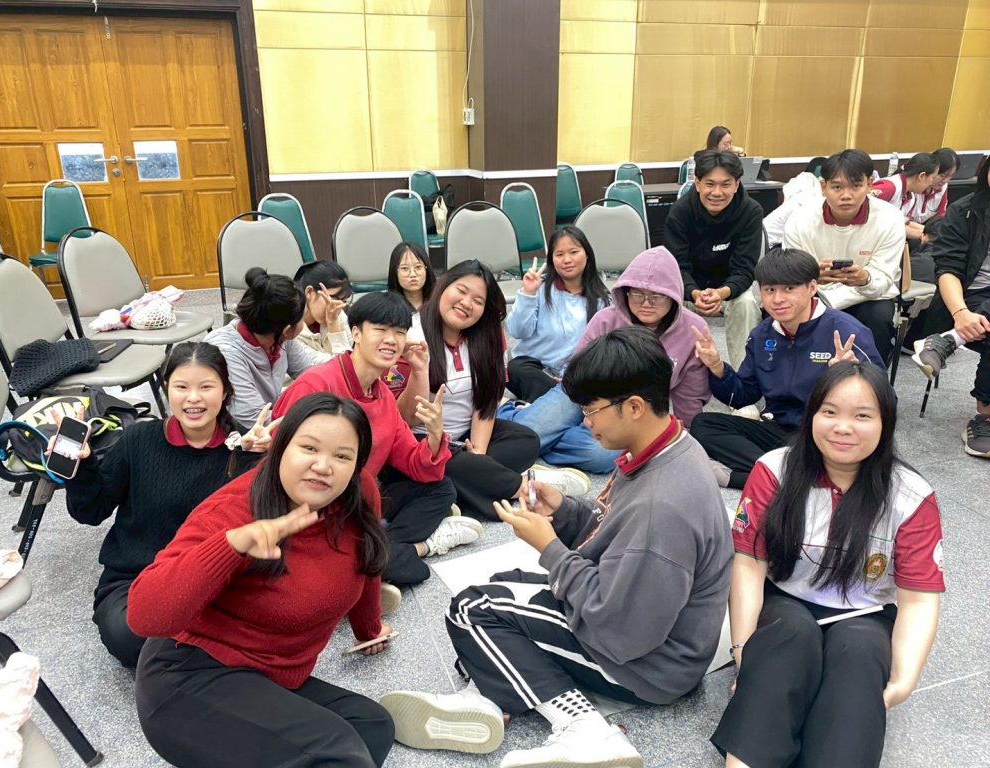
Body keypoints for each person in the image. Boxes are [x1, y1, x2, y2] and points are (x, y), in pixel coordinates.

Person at [380, 327, 733, 768]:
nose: (586, 422)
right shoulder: (665, 446)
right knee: (503, 586)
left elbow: (622, 629)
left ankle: (584, 728)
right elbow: (611, 534)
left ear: (634, 407)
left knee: (472, 609)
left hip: (649, 666)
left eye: (591, 410)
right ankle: (488, 697)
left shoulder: (662, 505)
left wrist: (549, 547)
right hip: (649, 638)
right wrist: (565, 510)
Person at [130, 394, 395, 768]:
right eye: (309, 448)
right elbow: (144, 616)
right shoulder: (233, 510)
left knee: (372, 727)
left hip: (267, 676)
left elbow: (367, 563)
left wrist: (369, 630)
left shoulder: (358, 492)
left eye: (342, 456)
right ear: (281, 446)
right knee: (338, 753)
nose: (323, 466)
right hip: (187, 678)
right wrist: (232, 545)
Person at [711, 362, 944, 768]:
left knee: (857, 653)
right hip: (785, 599)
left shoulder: (910, 495)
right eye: (830, 411)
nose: (842, 427)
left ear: (886, 423)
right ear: (812, 414)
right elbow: (749, 563)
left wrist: (903, 679)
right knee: (788, 637)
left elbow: (919, 599)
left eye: (862, 416)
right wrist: (743, 650)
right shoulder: (775, 470)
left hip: (865, 613)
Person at [61, 342, 265, 668]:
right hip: (136, 577)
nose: (193, 398)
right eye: (181, 387)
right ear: (167, 388)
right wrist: (82, 468)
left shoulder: (244, 449)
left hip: (211, 581)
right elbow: (90, 511)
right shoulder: (139, 439)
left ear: (226, 391)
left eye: (206, 387)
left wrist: (263, 461)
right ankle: (200, 653)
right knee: (127, 634)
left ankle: (188, 653)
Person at [272, 291, 479, 595]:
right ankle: (415, 548)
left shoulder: (382, 396)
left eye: (399, 332)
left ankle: (374, 557)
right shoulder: (315, 386)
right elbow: (278, 463)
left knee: (442, 489)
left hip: (361, 502)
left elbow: (415, 463)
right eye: (380, 330)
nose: (391, 340)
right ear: (355, 333)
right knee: (409, 568)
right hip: (315, 506)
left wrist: (436, 435)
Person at [498, 246, 711, 474]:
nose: (646, 303)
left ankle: (543, 431)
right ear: (625, 291)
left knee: (603, 455)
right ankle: (512, 413)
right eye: (637, 294)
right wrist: (589, 413)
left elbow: (690, 394)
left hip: (633, 411)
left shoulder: (693, 329)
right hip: (584, 394)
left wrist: (683, 438)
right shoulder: (606, 319)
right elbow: (577, 374)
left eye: (657, 296)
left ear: (673, 296)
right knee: (521, 439)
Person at [690, 248, 884, 490]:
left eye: (789, 289)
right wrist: (716, 366)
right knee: (704, 425)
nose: (777, 299)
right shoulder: (762, 335)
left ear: (812, 287)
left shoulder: (847, 331)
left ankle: (756, 478)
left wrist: (848, 378)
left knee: (840, 451)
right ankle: (796, 477)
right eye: (769, 290)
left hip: (825, 433)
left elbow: (886, 402)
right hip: (779, 430)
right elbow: (743, 396)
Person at [415, 260, 546, 520]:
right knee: (447, 462)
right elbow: (402, 417)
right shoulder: (412, 331)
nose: (466, 303)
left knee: (526, 441)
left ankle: (456, 491)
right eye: (461, 291)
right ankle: (523, 489)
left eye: (478, 301)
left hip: (464, 437)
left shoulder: (486, 336)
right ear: (443, 286)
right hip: (422, 440)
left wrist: (479, 453)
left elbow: (486, 402)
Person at [782, 149, 905, 362]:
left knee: (879, 317)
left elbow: (884, 277)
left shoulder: (890, 218)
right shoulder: (801, 219)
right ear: (823, 187)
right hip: (815, 293)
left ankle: (871, 376)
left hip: (868, 296)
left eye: (856, 186)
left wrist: (864, 278)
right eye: (837, 187)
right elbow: (790, 271)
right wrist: (811, 276)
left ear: (869, 184)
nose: (846, 195)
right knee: (782, 310)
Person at [910, 153, 990, 458]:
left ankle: (948, 342)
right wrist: (961, 314)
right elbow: (948, 269)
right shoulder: (965, 211)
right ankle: (986, 416)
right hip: (968, 296)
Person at [664, 149, 763, 369]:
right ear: (697, 183)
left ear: (737, 185)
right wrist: (694, 293)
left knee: (747, 304)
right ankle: (671, 372)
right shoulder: (680, 212)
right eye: (710, 184)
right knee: (662, 302)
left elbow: (745, 269)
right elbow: (676, 266)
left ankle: (743, 378)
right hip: (689, 288)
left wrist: (722, 293)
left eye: (725, 184)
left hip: (729, 289)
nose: (717, 192)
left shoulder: (750, 212)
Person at [504, 225, 610, 402]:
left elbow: (602, 351)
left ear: (587, 254)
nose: (567, 260)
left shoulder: (602, 300)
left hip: (576, 375)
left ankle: (549, 402)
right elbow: (517, 331)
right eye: (559, 254)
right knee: (515, 369)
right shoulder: (540, 288)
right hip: (535, 369)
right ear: (552, 260)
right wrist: (528, 294)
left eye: (574, 252)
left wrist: (574, 376)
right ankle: (568, 400)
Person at [204, 268, 312, 430]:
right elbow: (255, 418)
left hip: (269, 421)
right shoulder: (225, 351)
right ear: (287, 329)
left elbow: (311, 374)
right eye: (302, 318)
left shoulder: (280, 337)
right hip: (234, 433)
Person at [293, 259, 355, 363]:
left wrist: (333, 325)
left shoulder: (336, 312)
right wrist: (334, 325)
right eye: (331, 298)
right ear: (310, 292)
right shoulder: (291, 329)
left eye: (342, 301)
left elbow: (354, 358)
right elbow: (341, 366)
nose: (336, 306)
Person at [871, 151, 940, 240]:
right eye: (933, 178)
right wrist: (926, 236)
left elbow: (904, 224)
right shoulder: (889, 187)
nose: (932, 182)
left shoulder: (910, 196)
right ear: (921, 176)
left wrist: (933, 234)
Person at [386, 241, 436, 340]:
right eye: (405, 268)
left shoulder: (440, 302)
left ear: (426, 269)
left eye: (418, 267)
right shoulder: (388, 308)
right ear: (395, 272)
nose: (413, 274)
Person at [911, 147, 960, 232]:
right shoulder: (913, 185)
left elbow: (940, 215)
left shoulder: (943, 187)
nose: (945, 180)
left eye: (950, 176)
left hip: (926, 230)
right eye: (942, 175)